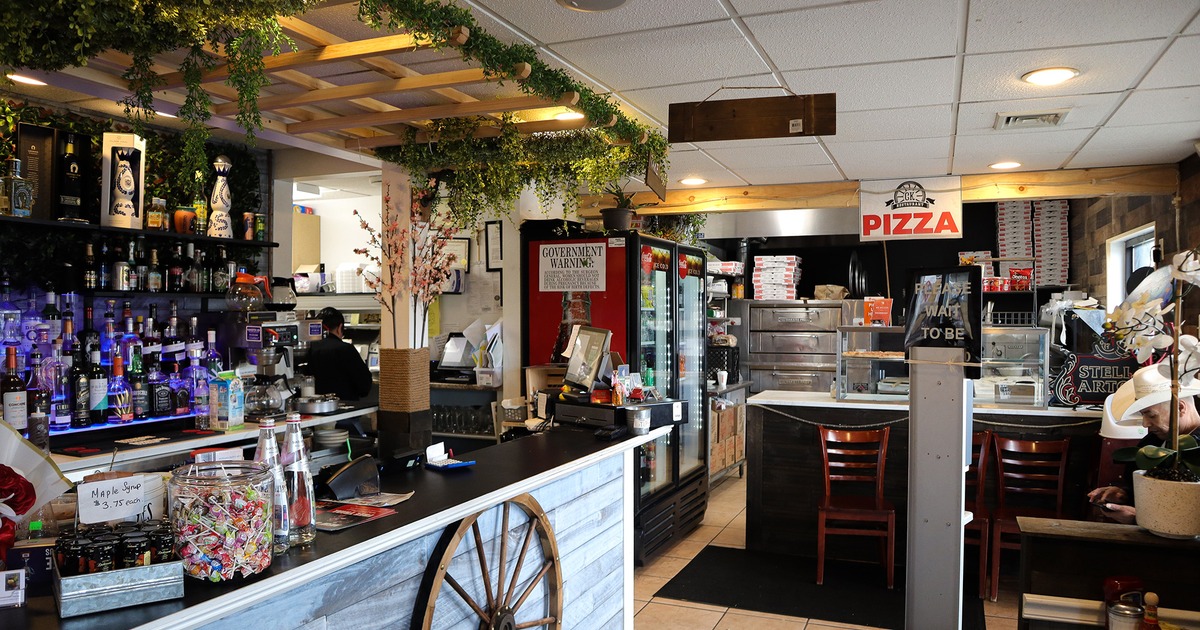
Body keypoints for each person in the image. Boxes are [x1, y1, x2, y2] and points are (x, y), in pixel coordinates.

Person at [1087, 364, 1200, 523]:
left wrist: (1138, 518)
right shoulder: (1152, 442)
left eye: (1151, 415)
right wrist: (1124, 494)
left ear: (1180, 408)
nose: (1145, 424)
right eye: (1143, 415)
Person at [303, 307, 373, 401]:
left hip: (314, 407)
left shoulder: (310, 348)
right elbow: (364, 386)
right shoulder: (346, 349)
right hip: (345, 409)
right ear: (340, 328)